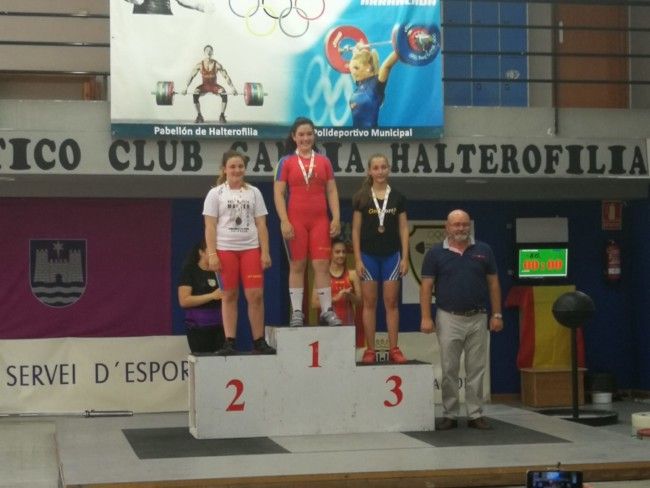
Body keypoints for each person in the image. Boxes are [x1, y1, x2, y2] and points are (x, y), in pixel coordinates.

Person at [419, 209, 503, 430]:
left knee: (477, 369)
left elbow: (493, 283)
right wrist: (426, 317)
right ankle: (450, 414)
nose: (461, 228)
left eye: (464, 224)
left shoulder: (484, 250)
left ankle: (475, 414)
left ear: (469, 226)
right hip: (448, 317)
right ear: (447, 227)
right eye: (456, 224)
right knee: (449, 369)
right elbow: (426, 286)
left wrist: (497, 314)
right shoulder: (435, 253)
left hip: (478, 317)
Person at [203, 149, 275, 355]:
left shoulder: (254, 192)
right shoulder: (215, 193)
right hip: (225, 250)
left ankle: (259, 341)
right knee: (229, 295)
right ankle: (229, 342)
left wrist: (265, 252)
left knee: (255, 295)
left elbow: (261, 224)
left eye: (240, 166)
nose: (237, 170)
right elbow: (210, 226)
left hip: (250, 249)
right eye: (232, 166)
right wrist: (212, 254)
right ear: (224, 169)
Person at [273, 117, 342, 327]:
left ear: (314, 136)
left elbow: (332, 190)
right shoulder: (285, 162)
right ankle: (296, 312)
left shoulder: (324, 161)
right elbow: (278, 193)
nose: (305, 138)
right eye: (301, 134)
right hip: (296, 221)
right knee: (297, 265)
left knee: (321, 264)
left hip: (320, 220)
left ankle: (327, 310)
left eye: (309, 134)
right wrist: (284, 220)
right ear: (294, 137)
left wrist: (336, 217)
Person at [352, 154, 409, 364]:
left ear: (389, 169)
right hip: (368, 257)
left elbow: (404, 228)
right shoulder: (361, 197)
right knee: (369, 303)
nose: (380, 171)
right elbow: (355, 231)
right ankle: (370, 349)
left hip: (391, 257)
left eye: (383, 167)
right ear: (369, 171)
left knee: (391, 303)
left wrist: (405, 257)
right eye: (376, 167)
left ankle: (394, 348)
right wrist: (358, 259)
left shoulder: (398, 197)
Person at [177, 239, 224, 353]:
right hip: (198, 328)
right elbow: (184, 301)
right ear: (201, 252)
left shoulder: (219, 271)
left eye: (217, 251)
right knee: (203, 361)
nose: (215, 254)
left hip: (220, 327)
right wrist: (212, 296)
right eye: (211, 250)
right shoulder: (190, 271)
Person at [311, 237, 362, 326]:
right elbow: (314, 303)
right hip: (327, 327)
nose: (341, 255)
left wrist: (350, 296)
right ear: (330, 253)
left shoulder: (352, 275)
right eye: (337, 252)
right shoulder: (322, 276)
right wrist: (335, 298)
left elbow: (360, 302)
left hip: (347, 326)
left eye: (344, 252)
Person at [182, 45, 237, 124]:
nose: (208, 52)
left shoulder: (217, 64)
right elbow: (191, 76)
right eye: (207, 50)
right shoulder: (200, 65)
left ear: (212, 53)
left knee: (224, 93)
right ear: (204, 53)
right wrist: (185, 88)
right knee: (195, 94)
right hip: (204, 86)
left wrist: (233, 88)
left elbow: (226, 76)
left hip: (214, 86)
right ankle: (199, 116)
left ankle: (222, 115)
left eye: (210, 50)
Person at [348, 45, 398, 128]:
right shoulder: (359, 84)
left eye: (356, 68)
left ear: (369, 68)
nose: (353, 72)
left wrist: (401, 47)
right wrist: (355, 51)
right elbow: (354, 64)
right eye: (352, 68)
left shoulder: (376, 84)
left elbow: (387, 66)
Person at [124, 0, 214, 15]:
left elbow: (182, 1)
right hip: (144, 18)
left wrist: (200, 7)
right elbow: (138, 1)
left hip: (165, 18)